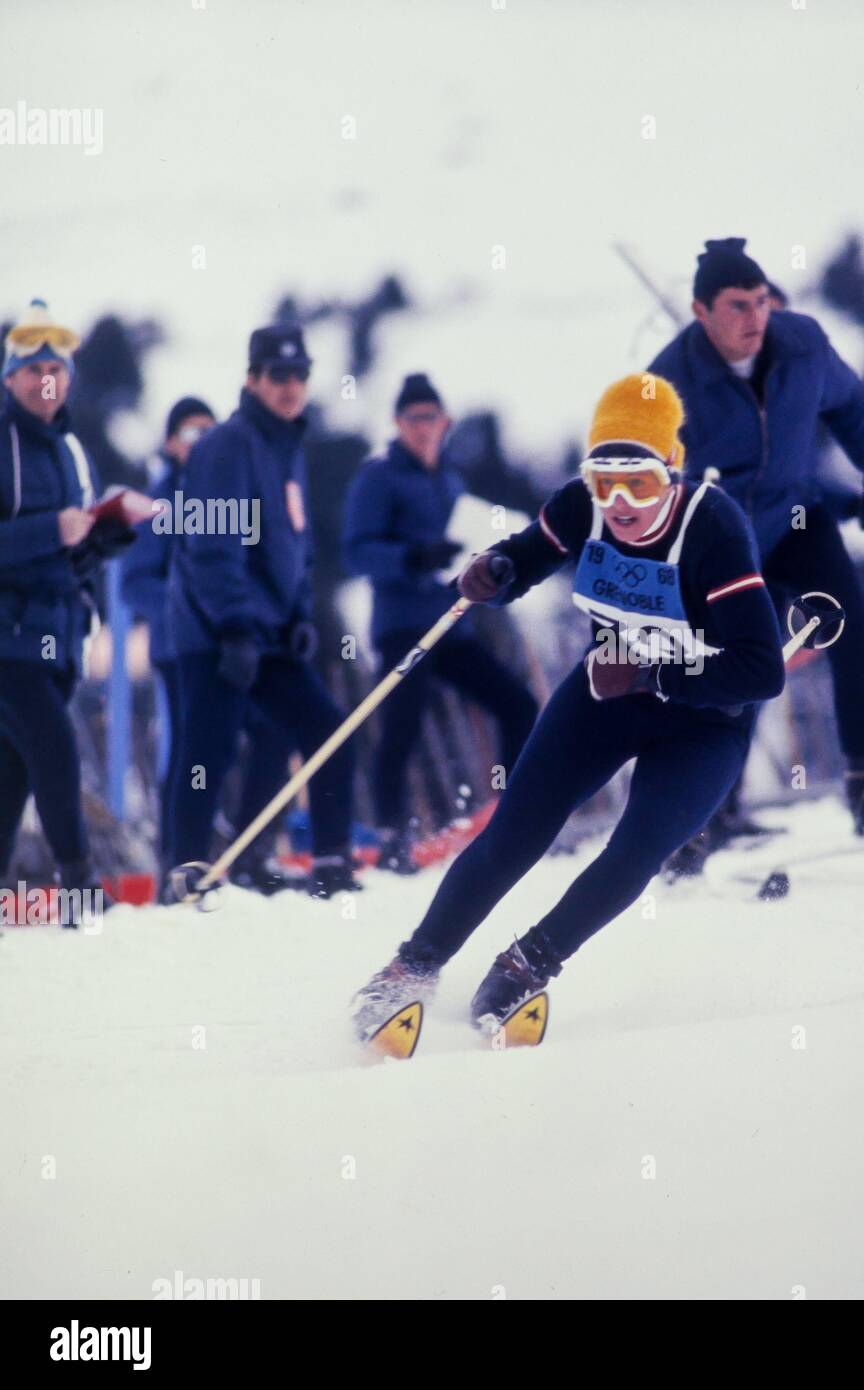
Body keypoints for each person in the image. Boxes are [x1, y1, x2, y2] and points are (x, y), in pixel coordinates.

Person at [351, 373, 786, 1038]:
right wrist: (496, 572)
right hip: (606, 696)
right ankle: (411, 969)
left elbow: (761, 670)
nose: (618, 501)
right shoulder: (582, 506)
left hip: (705, 723)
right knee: (515, 833)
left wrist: (654, 674)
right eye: (602, 477)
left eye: (637, 481)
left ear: (672, 468)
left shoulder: (714, 529)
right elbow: (530, 554)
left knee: (635, 849)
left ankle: (528, 965)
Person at [648, 237, 864, 840]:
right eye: (738, 306)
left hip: (797, 515)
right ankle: (707, 813)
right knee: (742, 667)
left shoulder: (803, 343)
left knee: (849, 627)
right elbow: (649, 485)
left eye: (762, 302)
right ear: (700, 312)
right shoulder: (666, 384)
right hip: (721, 541)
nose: (755, 318)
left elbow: (849, 405)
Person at [164, 324, 359, 899]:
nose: (290, 385)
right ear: (252, 379)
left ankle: (329, 866)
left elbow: (296, 546)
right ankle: (187, 874)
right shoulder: (226, 444)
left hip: (268, 633)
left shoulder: (288, 447)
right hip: (217, 631)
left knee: (328, 733)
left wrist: (298, 615)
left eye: (300, 374)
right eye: (278, 374)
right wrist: (232, 625)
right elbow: (210, 544)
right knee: (208, 749)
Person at [342, 372, 538, 873]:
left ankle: (517, 812)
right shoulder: (378, 477)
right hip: (403, 626)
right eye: (414, 418)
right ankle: (392, 836)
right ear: (398, 423)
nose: (424, 427)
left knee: (517, 703)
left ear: (445, 422)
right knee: (401, 728)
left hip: (453, 624)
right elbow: (356, 552)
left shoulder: (450, 480)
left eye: (432, 417)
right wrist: (413, 557)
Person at [0, 299, 140, 922]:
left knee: (12, 776)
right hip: (8, 641)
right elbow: (35, 537)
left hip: (56, 639)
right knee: (56, 751)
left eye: (56, 370)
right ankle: (82, 889)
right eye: (33, 370)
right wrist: (49, 532)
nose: (46, 381)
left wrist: (100, 540)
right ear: (10, 379)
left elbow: (68, 550)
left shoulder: (70, 449)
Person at [122, 396, 298, 891]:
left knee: (267, 733)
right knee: (190, 750)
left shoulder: (231, 491)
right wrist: (187, 609)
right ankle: (178, 862)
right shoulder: (162, 501)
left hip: (234, 645)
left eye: (209, 431)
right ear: (170, 443)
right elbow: (137, 582)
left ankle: (250, 848)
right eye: (190, 433)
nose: (202, 443)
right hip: (183, 651)